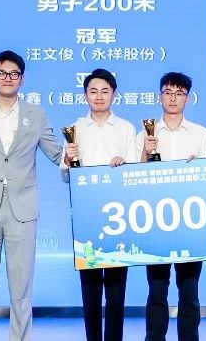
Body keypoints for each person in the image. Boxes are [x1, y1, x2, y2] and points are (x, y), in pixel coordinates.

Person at [0, 51, 65, 341]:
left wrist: (81, 161)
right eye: (2, 73)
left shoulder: (36, 115)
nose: (8, 78)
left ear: (22, 79)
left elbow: (57, 153)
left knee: (21, 288)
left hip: (23, 208)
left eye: (14, 74)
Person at [63, 68, 137, 341]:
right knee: (90, 289)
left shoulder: (126, 128)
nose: (99, 96)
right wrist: (68, 160)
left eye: (105, 91)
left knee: (117, 290)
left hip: (119, 215)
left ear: (114, 95)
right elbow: (65, 174)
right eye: (93, 91)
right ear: (85, 95)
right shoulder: (75, 129)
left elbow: (135, 173)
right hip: (87, 216)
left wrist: (125, 165)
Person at [136, 72, 206, 341]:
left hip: (190, 220)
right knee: (157, 290)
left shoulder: (201, 134)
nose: (173, 98)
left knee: (189, 290)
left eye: (179, 93)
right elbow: (134, 178)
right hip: (156, 221)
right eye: (168, 93)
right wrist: (145, 152)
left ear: (188, 98)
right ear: (160, 97)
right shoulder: (145, 133)